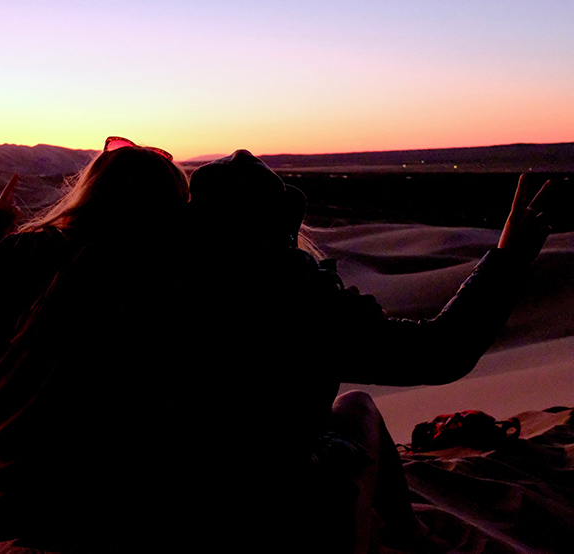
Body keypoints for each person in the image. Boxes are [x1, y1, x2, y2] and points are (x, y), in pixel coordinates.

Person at [184, 151, 559, 553]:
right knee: (357, 409)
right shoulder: (295, 300)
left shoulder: (165, 288)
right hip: (279, 522)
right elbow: (441, 352)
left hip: (184, 514)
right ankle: (409, 532)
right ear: (278, 225)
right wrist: (508, 259)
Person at [0, 137, 191, 551]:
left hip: (0, 486)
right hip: (96, 498)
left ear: (89, 192)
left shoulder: (15, 252)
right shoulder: (160, 273)